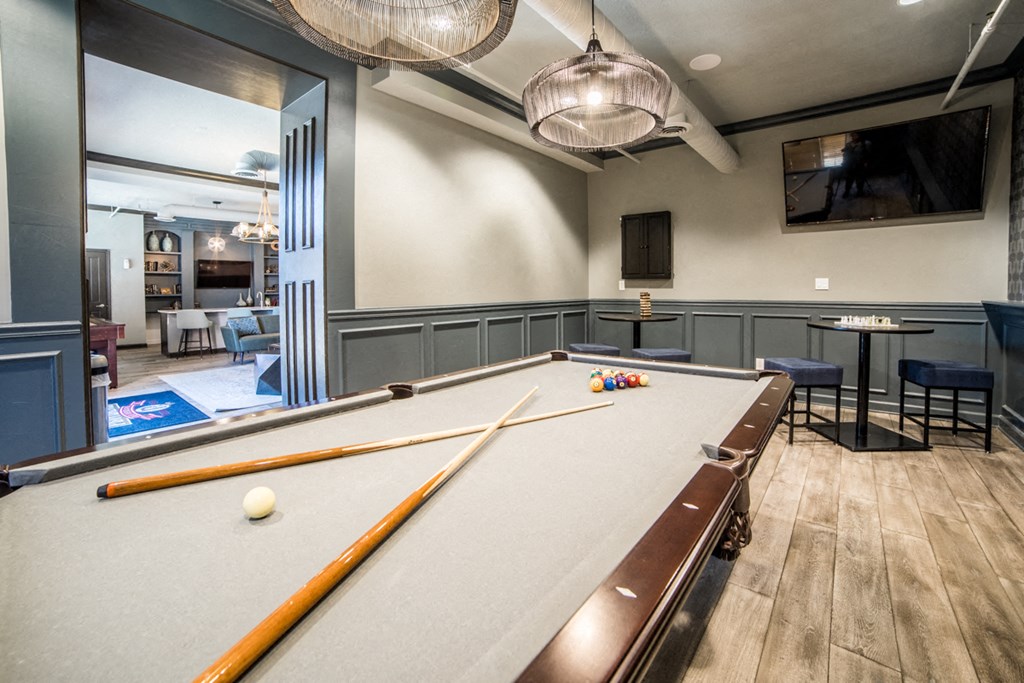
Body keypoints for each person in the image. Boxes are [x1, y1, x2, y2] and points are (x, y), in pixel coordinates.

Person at [841, 132, 871, 198]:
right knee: (849, 179)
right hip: (850, 164)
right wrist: (844, 162)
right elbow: (845, 155)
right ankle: (847, 191)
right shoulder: (848, 144)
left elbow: (868, 155)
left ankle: (859, 191)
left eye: (856, 135)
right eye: (853, 135)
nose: (854, 136)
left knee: (860, 179)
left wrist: (866, 163)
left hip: (860, 164)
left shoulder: (865, 144)